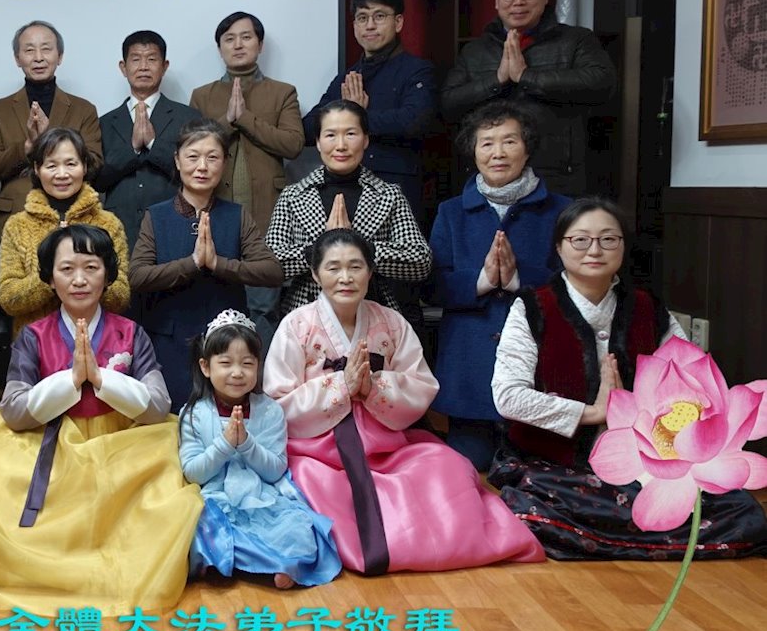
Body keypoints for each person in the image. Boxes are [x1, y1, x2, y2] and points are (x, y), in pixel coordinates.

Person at [490, 198, 767, 559]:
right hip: (555, 461)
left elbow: (694, 383)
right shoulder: (531, 308)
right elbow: (508, 397)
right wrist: (594, 412)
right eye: (580, 240)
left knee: (740, 510)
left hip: (646, 460)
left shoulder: (649, 308)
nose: (595, 250)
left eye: (608, 239)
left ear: (623, 246)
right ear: (559, 247)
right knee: (541, 503)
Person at [0, 225, 202, 615]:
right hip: (52, 442)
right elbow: (14, 410)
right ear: (50, 279)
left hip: (122, 443)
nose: (80, 279)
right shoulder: (33, 336)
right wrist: (70, 381)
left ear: (108, 274)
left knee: (167, 482)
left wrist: (102, 381)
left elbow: (157, 406)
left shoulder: (131, 333)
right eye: (67, 269)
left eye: (91, 267)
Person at [265, 228, 545, 574]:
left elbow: (421, 385)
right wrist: (341, 386)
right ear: (315, 274)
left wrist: (372, 387)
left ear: (370, 271)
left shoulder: (391, 322)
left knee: (449, 467)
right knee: (314, 484)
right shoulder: (296, 325)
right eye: (333, 268)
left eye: (355, 266)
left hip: (385, 441)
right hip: (317, 448)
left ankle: (445, 544)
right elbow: (277, 400)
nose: (345, 277)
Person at [429, 101, 570, 470]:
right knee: (467, 470)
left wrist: (519, 280)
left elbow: (575, 284)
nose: (498, 153)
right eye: (487, 143)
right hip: (469, 367)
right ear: (473, 151)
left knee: (537, 475)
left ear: (527, 148)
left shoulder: (562, 211)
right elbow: (431, 285)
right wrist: (482, 281)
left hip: (539, 364)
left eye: (509, 141)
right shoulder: (450, 212)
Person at [179, 310, 341, 588]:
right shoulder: (193, 413)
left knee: (297, 529)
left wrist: (246, 443)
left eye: (247, 363)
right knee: (197, 526)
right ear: (205, 366)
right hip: (214, 496)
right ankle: (235, 560)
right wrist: (225, 444)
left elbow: (275, 469)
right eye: (225, 363)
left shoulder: (270, 411)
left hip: (263, 496)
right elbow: (193, 472)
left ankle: (277, 565)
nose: (237, 372)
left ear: (258, 366)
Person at [129, 119, 282, 409]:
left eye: (212, 157)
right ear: (177, 160)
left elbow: (272, 272)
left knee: (226, 421)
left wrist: (218, 264)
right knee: (171, 422)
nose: (202, 166)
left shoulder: (236, 215)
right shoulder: (157, 216)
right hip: (169, 343)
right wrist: (192, 263)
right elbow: (137, 276)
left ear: (224, 163)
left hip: (227, 346)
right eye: (193, 157)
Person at [441, 0, 616, 197]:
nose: (519, 1)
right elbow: (448, 104)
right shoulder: (475, 50)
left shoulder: (576, 39)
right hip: (491, 176)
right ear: (496, 0)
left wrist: (525, 76)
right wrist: (497, 80)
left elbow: (602, 83)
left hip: (556, 176)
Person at [190, 11, 304, 342]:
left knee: (263, 308)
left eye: (246, 37)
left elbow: (293, 144)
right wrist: (227, 120)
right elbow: (193, 147)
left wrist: (246, 119)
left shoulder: (282, 92)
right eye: (229, 39)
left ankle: (265, 373)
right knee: (214, 305)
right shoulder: (202, 95)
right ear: (220, 48)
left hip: (267, 215)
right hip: (214, 214)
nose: (238, 45)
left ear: (260, 44)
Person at [267, 100, 431, 319]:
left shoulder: (389, 194)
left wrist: (360, 248)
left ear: (366, 140)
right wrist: (320, 249)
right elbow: (268, 265)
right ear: (318, 142)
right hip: (306, 315)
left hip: (374, 313)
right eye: (330, 135)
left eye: (351, 134)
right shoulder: (293, 195)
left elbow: (420, 261)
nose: (341, 145)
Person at [305, 0, 437, 225]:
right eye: (362, 18)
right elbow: (310, 126)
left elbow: (415, 121)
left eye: (379, 16)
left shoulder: (417, 70)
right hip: (347, 185)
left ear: (398, 22)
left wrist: (357, 117)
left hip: (398, 185)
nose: (370, 26)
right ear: (354, 26)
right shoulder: (348, 76)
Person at [0, 127, 129, 333]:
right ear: (37, 169)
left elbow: (121, 297)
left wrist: (87, 278)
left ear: (84, 166)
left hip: (98, 339)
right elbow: (8, 298)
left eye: (71, 164)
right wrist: (52, 275)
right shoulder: (17, 225)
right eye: (51, 165)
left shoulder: (108, 223)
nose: (62, 174)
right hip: (36, 343)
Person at [0, 20, 102, 233]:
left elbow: (95, 164)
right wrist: (27, 147)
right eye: (29, 50)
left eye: (46, 49)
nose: (38, 57)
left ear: (59, 56)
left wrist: (55, 150)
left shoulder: (84, 109)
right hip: (17, 216)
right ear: (17, 58)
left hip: (72, 217)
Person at [94, 29, 202, 250]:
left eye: (152, 59)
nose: (143, 67)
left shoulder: (188, 117)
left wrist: (154, 145)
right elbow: (97, 180)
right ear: (123, 67)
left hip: (174, 223)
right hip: (118, 228)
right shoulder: (104, 122)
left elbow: (196, 172)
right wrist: (132, 149)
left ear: (164, 66)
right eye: (135, 59)